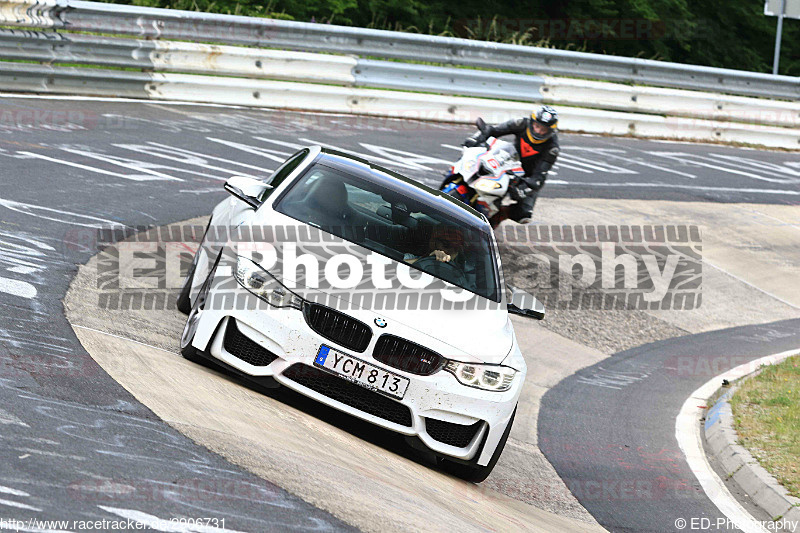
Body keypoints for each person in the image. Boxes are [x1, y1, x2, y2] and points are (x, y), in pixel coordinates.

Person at [464, 105, 560, 224]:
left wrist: (525, 188)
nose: (539, 131)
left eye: (544, 129)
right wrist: (477, 139)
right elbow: (493, 130)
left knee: (524, 214)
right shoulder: (520, 123)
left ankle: (491, 223)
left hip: (526, 177)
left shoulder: (552, 148)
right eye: (537, 126)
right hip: (507, 162)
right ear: (532, 122)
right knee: (474, 164)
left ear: (550, 131)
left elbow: (539, 176)